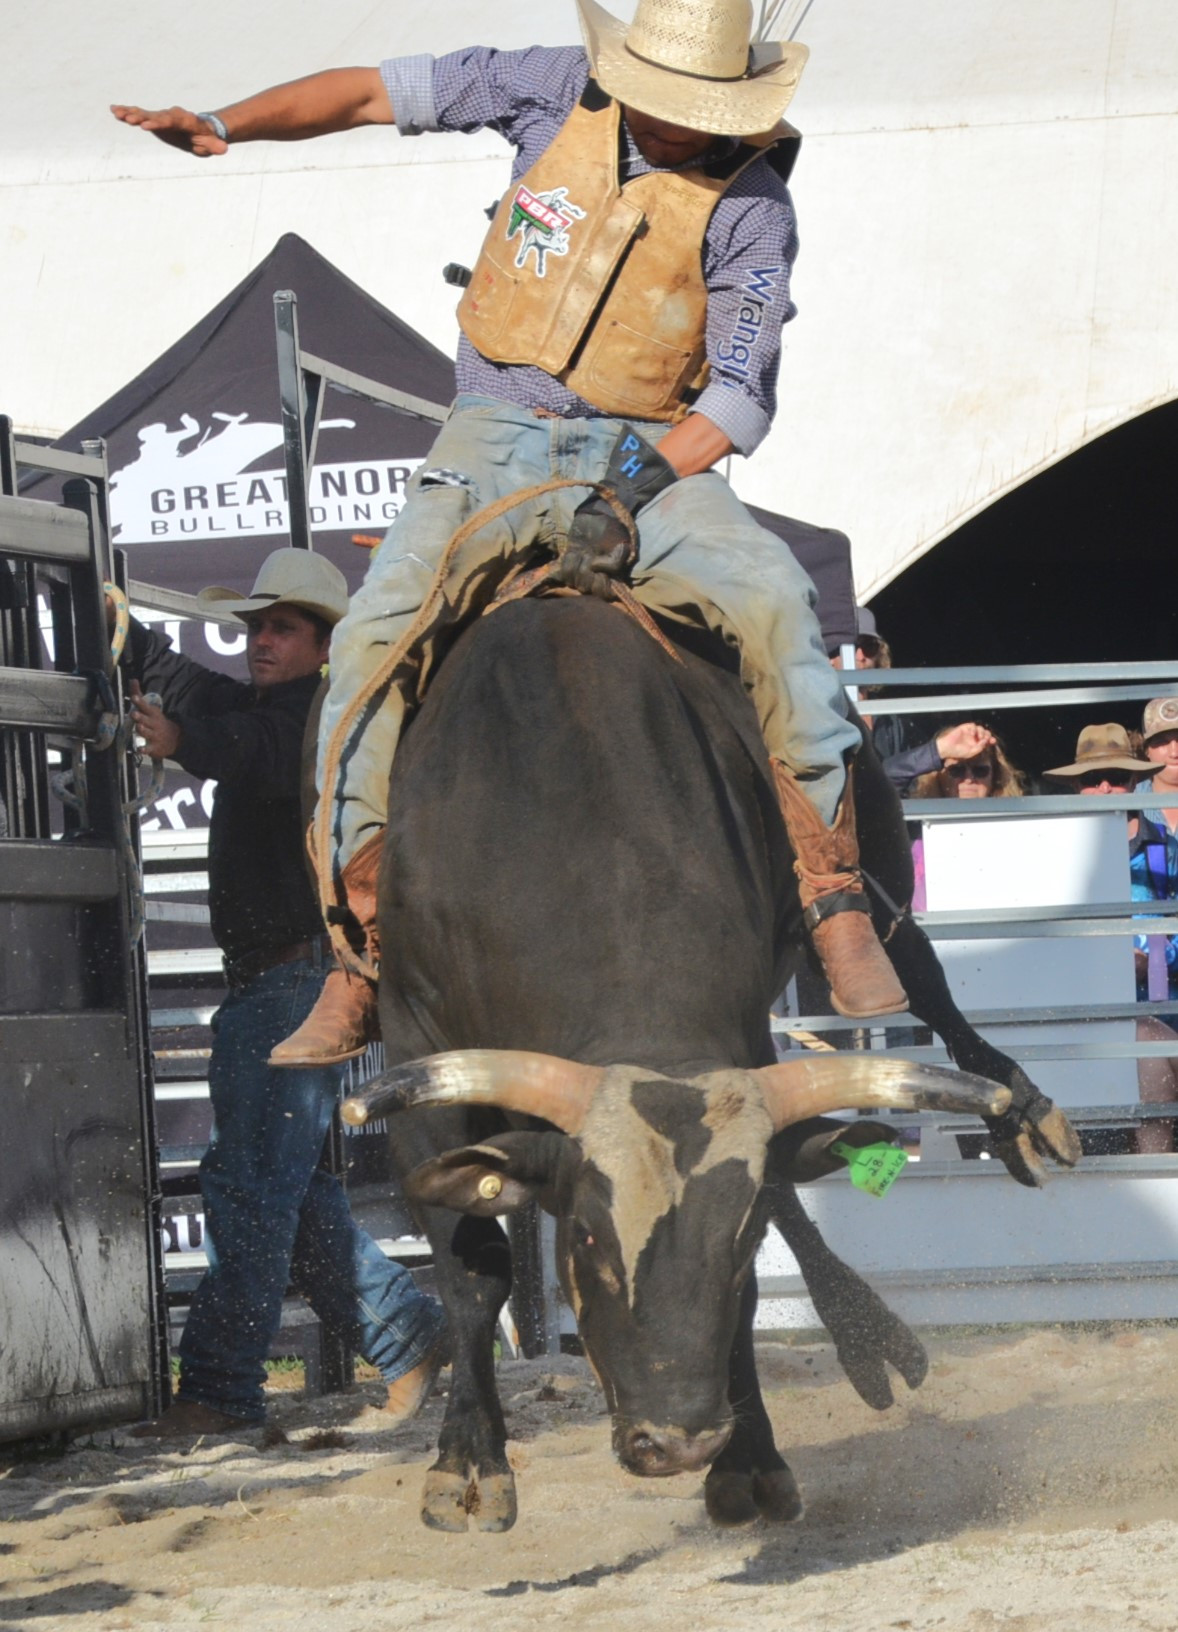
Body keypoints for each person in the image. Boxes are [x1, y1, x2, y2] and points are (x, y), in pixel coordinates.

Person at [112, 0, 908, 1051]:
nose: (669, 125)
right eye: (657, 102)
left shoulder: (751, 203)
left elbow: (737, 399)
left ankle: (831, 895)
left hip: (657, 452)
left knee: (773, 600)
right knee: (362, 646)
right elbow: (363, 92)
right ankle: (363, 948)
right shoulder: (542, 85)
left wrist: (628, 487)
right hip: (490, 440)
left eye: (691, 109)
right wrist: (224, 119)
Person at [117, 548, 446, 1437]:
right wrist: (120, 632)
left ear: (322, 644)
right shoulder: (289, 708)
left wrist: (183, 740)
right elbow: (198, 693)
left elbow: (244, 746)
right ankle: (410, 1334)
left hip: (289, 982)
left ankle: (221, 1388)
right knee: (288, 1193)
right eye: (257, 627)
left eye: (281, 628)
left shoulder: (311, 722)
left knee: (254, 1186)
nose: (261, 640)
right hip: (293, 979)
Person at [1044, 718, 1176, 1154]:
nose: (1104, 788)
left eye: (1116, 778)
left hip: (1157, 1003)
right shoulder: (1046, 850)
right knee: (1151, 1050)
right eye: (1091, 779)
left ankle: (1157, 1193)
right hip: (1070, 1009)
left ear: (1135, 781)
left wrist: (1152, 958)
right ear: (1075, 786)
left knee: (1152, 1051)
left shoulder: (1167, 849)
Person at [829, 608, 997, 792]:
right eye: (849, 647)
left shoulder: (892, 720)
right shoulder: (818, 716)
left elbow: (911, 786)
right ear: (828, 655)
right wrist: (938, 750)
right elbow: (861, 784)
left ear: (879, 654)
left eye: (869, 646)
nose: (860, 656)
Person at [908, 731, 1026, 801]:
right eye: (956, 770)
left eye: (980, 771)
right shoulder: (920, 827)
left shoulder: (1012, 826)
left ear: (995, 777)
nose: (969, 779)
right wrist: (938, 750)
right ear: (937, 777)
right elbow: (890, 780)